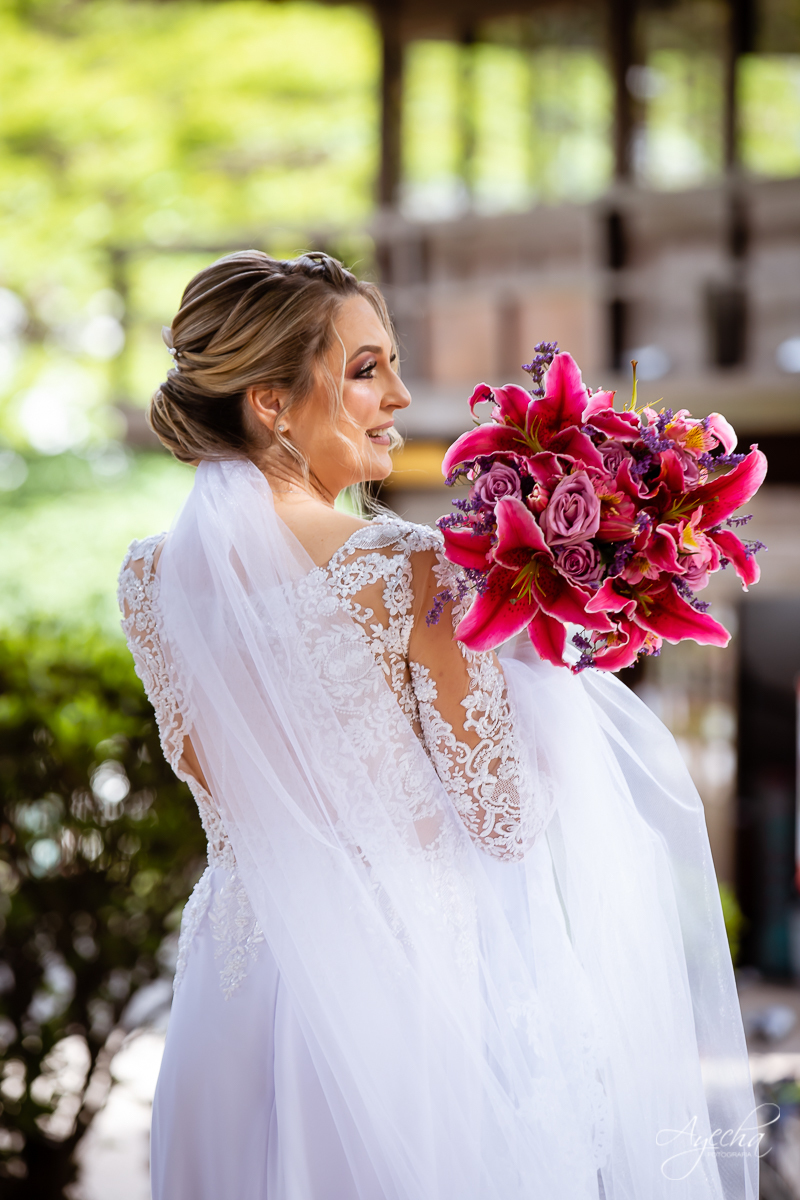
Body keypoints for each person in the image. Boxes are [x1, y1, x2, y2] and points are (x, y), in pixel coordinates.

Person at [118, 251, 758, 1200]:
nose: (401, 394)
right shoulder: (412, 568)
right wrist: (547, 664)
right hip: (407, 981)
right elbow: (503, 817)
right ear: (272, 402)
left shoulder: (148, 579)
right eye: (366, 369)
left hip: (238, 978)